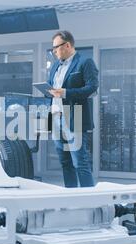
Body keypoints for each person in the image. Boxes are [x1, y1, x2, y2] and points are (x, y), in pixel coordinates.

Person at [47, 30, 99, 188]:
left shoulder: (84, 62)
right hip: (56, 117)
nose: (54, 51)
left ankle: (89, 201)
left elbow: (92, 87)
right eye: (53, 48)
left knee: (80, 162)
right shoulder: (55, 65)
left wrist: (67, 93)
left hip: (74, 116)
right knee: (65, 162)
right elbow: (52, 87)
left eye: (56, 47)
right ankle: (70, 197)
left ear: (67, 45)